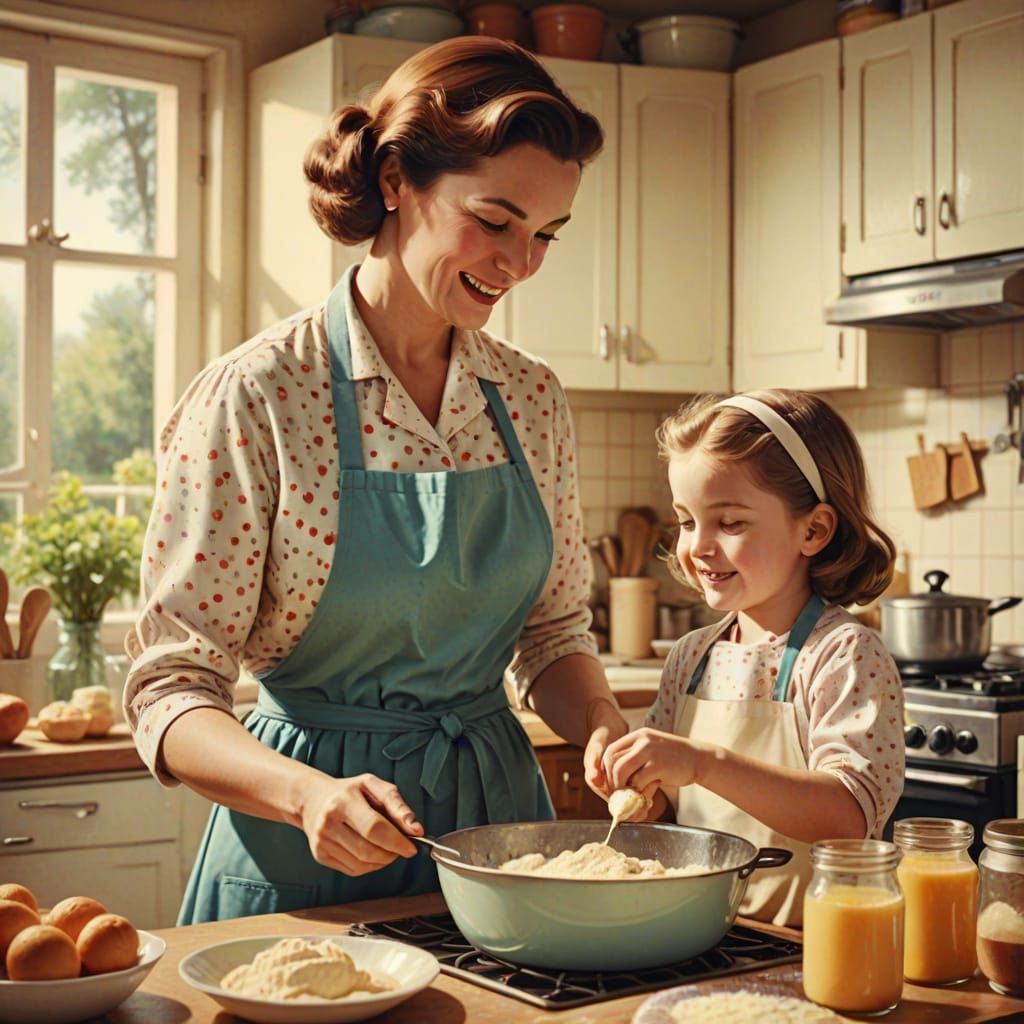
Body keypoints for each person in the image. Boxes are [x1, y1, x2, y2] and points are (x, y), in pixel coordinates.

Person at [122, 36, 630, 925]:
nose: (522, 264)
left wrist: (602, 726)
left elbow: (550, 633)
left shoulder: (532, 398)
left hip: (498, 839)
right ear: (397, 180)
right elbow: (170, 689)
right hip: (300, 845)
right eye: (496, 220)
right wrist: (304, 797)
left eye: (546, 233)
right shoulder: (260, 396)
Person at [600, 389, 905, 927]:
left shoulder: (841, 654)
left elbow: (847, 816)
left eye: (731, 523)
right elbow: (675, 810)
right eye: (687, 521)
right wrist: (641, 794)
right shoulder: (692, 657)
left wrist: (702, 763)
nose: (697, 546)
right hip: (702, 932)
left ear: (812, 530)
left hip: (814, 945)